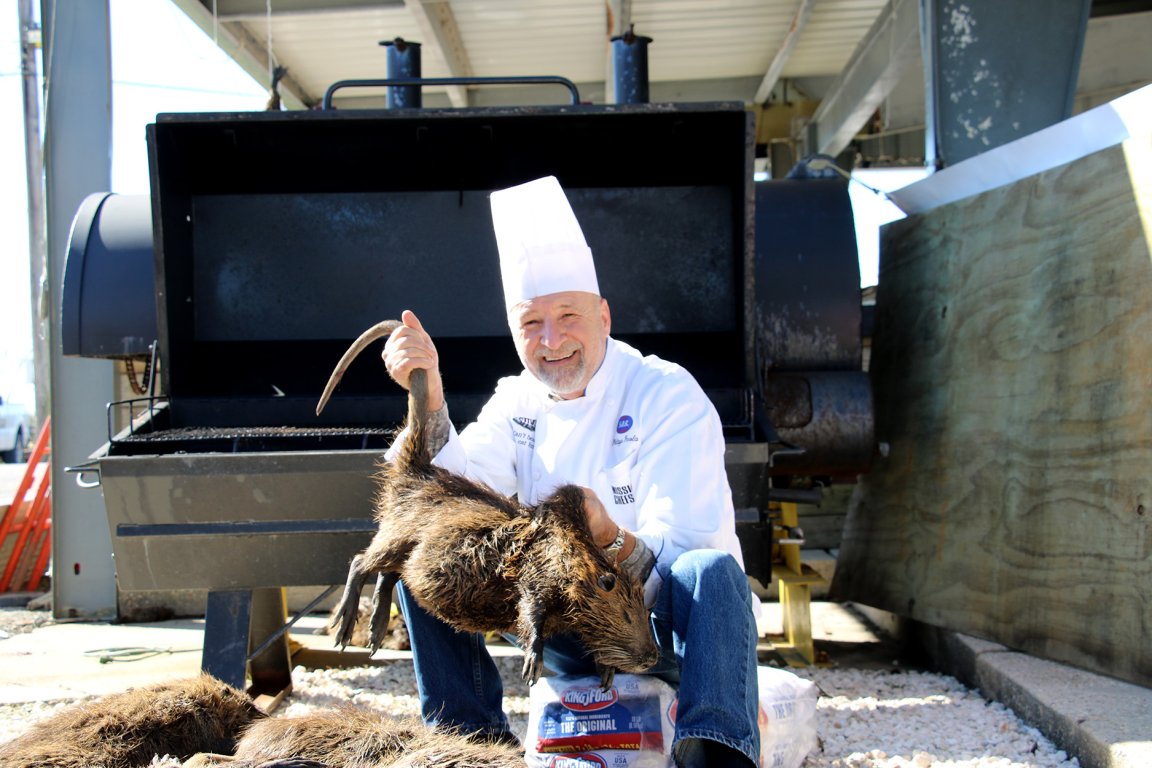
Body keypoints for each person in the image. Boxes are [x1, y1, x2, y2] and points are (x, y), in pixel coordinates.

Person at [380, 176, 760, 768]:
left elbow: (692, 552)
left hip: (656, 633)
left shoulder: (666, 394)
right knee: (427, 557)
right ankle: (468, 745)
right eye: (532, 324)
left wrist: (606, 538)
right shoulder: (517, 399)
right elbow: (454, 485)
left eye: (567, 316)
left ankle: (716, 751)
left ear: (604, 315)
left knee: (711, 572)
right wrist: (427, 398)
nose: (551, 341)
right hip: (558, 626)